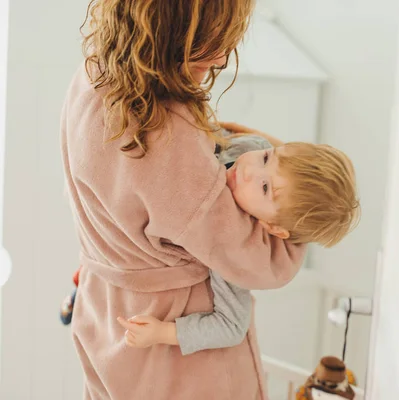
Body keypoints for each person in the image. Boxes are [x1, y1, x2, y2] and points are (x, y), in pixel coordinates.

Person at [61, 1, 306, 399]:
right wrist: (300, 220)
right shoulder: (168, 136)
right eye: (210, 40)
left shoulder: (91, 78)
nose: (223, 57)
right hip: (175, 350)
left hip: (104, 318)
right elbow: (259, 264)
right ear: (170, 32)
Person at [115, 129, 360, 355]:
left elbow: (232, 326)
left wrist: (162, 333)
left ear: (272, 226)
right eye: (266, 158)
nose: (249, 170)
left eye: (264, 188)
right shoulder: (248, 147)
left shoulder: (238, 250)